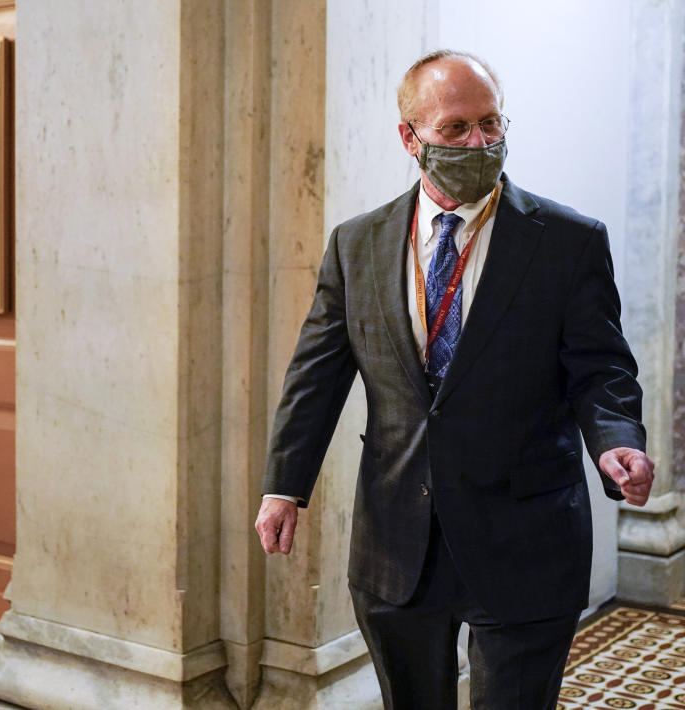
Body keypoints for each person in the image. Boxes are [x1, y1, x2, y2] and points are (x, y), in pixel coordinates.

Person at [254, 49, 655, 710]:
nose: (480, 143)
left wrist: (616, 440)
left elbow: (600, 367)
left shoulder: (567, 240)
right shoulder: (357, 244)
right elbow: (316, 377)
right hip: (397, 544)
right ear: (410, 138)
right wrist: (283, 486)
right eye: (456, 129)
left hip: (526, 537)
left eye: (491, 124)